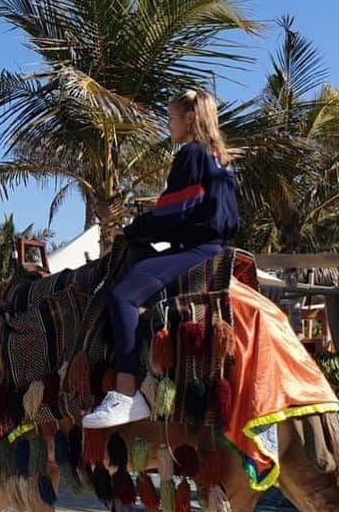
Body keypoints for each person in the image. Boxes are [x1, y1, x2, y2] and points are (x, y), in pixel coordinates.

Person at [83, 88, 239, 429]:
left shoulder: (192, 155)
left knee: (123, 295)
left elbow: (173, 212)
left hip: (195, 251)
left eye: (170, 118)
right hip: (216, 248)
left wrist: (134, 231)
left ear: (190, 118)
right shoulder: (222, 160)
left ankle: (126, 394)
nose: (168, 125)